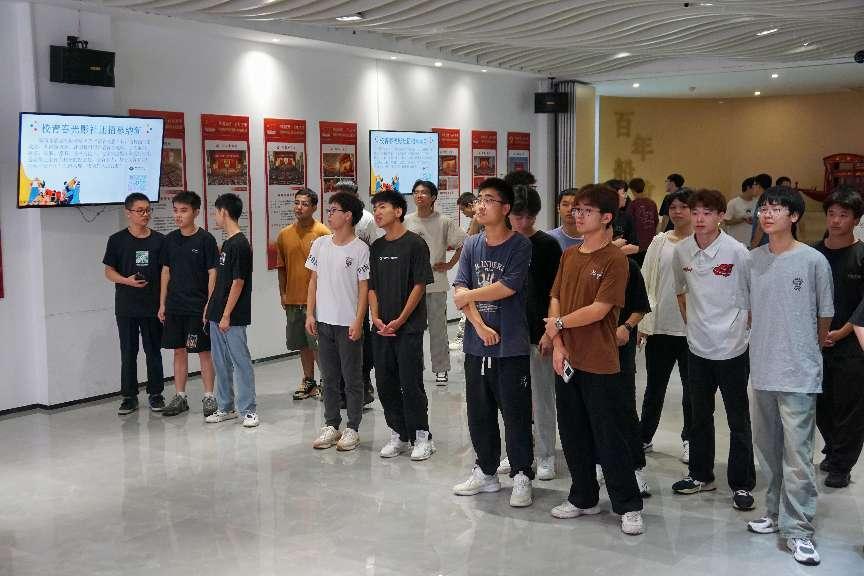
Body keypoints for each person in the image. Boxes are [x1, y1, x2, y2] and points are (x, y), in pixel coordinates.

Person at [544, 183, 644, 535]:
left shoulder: (616, 260)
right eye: (576, 210)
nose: (578, 215)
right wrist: (558, 344)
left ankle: (628, 505)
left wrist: (558, 325)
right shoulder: (569, 255)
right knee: (573, 433)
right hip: (567, 358)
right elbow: (555, 298)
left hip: (599, 360)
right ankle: (583, 497)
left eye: (586, 210)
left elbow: (600, 309)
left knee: (609, 435)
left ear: (606, 218)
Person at [741, 186, 833, 567]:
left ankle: (799, 531)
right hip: (762, 369)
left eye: (776, 208)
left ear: (793, 216)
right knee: (768, 450)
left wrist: (806, 351)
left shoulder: (813, 261)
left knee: (797, 456)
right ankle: (774, 512)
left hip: (798, 372)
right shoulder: (752, 260)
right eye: (764, 208)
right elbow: (749, 312)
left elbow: (824, 316)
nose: (767, 214)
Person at [670, 189, 756, 511]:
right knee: (699, 415)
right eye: (696, 212)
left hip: (733, 347)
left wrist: (742, 329)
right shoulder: (682, 251)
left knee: (738, 418)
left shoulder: (737, 252)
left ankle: (742, 483)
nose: (700, 219)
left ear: (721, 216)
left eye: (707, 213)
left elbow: (751, 297)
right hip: (697, 348)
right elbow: (681, 291)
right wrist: (692, 324)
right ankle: (700, 474)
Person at [452, 177, 534, 507]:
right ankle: (486, 472)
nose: (481, 205)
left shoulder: (520, 245)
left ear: (505, 208)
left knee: (515, 413)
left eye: (488, 200)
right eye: (479, 199)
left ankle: (521, 474)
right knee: (479, 413)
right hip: (477, 344)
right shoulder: (472, 244)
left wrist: (469, 296)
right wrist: (479, 325)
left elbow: (508, 286)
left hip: (510, 344)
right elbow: (459, 289)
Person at [497, 179, 561, 481]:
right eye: (518, 216)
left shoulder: (547, 246)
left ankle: (546, 454)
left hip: (538, 333)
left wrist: (550, 333)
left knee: (542, 398)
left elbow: (555, 293)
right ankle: (517, 452)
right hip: (505, 335)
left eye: (530, 217)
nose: (523, 222)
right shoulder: (500, 243)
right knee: (511, 401)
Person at [369, 190, 436, 461]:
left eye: (382, 207)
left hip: (408, 328)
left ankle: (422, 435)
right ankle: (399, 433)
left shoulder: (415, 244)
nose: (377, 212)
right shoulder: (376, 247)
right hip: (381, 328)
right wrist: (376, 317)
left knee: (410, 383)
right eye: (375, 208)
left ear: (398, 211)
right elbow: (371, 286)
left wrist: (401, 319)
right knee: (385, 383)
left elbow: (419, 285)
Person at [306, 192, 370, 451]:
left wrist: (358, 320)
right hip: (324, 322)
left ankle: (352, 427)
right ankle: (331, 424)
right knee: (329, 377)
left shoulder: (360, 249)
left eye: (334, 210)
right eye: (329, 210)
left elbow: (364, 289)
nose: (329, 214)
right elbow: (313, 281)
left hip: (348, 324)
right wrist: (310, 314)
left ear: (348, 216)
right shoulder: (320, 245)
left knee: (352, 378)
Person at [814, 186, 864, 488]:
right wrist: (818, 332)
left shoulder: (861, 254)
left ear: (856, 219)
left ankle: (842, 464)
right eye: (831, 214)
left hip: (852, 342)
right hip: (815, 342)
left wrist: (842, 330)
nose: (835, 220)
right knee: (820, 403)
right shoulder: (812, 253)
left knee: (850, 406)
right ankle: (833, 449)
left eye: (843, 215)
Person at [638, 188, 693, 463]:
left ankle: (690, 439)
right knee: (654, 387)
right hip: (660, 328)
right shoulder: (659, 242)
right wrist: (642, 322)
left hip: (693, 331)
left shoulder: (702, 242)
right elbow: (645, 280)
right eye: (673, 207)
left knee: (692, 391)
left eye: (683, 206)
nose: (677, 212)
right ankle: (644, 436)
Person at [103, 193, 166, 414]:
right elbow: (108, 271)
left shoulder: (160, 240)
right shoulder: (117, 240)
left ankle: (156, 393)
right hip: (127, 306)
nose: (145, 214)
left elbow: (166, 274)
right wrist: (126, 281)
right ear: (128, 213)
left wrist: (163, 304)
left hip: (152, 306)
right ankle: (129, 396)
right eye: (140, 210)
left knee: (153, 351)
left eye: (148, 210)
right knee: (128, 352)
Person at [158, 191, 219, 417]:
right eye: (175, 210)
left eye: (183, 211)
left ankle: (209, 396)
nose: (178, 215)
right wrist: (162, 303)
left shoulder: (205, 240)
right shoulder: (169, 240)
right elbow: (165, 272)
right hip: (175, 306)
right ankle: (180, 396)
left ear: (196, 212)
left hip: (197, 306)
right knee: (178, 351)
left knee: (204, 351)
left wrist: (209, 304)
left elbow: (213, 273)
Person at [204, 193, 258, 427]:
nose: (214, 216)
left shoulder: (241, 245)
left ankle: (248, 410)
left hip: (232, 317)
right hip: (217, 313)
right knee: (220, 362)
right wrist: (210, 308)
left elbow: (238, 282)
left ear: (224, 212)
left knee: (240, 362)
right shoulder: (227, 243)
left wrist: (226, 315)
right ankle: (226, 407)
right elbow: (222, 281)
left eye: (216, 212)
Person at [405, 180, 466, 384]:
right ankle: (415, 367)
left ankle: (441, 368)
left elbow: (463, 243)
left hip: (436, 283)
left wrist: (450, 264)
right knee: (412, 330)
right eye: (416, 192)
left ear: (433, 197)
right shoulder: (406, 221)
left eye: (424, 192)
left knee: (438, 329)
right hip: (411, 285)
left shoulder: (444, 221)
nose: (419, 195)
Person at [276, 189, 330, 401]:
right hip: (293, 299)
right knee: (302, 343)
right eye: (297, 203)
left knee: (318, 344)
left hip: (316, 301)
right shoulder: (284, 234)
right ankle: (309, 381)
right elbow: (282, 268)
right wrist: (283, 293)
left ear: (314, 207)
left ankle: (328, 382)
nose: (299, 207)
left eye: (305, 204)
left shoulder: (323, 233)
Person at [333, 180, 376, 404]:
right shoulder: (334, 218)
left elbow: (372, 248)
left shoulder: (366, 219)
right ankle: (341, 388)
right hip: (339, 286)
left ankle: (364, 383)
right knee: (340, 340)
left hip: (360, 282)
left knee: (360, 335)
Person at [617, 257, 652, 496]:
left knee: (625, 408)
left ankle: (635, 468)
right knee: (593, 410)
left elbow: (641, 306)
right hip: (588, 349)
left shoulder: (628, 265)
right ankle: (598, 462)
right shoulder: (574, 259)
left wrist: (627, 327)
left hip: (620, 349)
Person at [450, 192, 482, 351]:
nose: (463, 213)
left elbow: (469, 242)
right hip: (473, 266)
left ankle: (462, 337)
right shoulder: (476, 220)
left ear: (470, 205)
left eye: (463, 210)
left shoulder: (480, 219)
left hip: (480, 268)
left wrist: (475, 221)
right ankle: (464, 336)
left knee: (469, 302)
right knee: (467, 301)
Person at [626, 177, 658, 266]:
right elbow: (656, 221)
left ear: (632, 190)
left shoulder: (633, 205)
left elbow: (629, 223)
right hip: (651, 241)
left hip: (637, 243)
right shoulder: (652, 203)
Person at [606, 179, 640, 256]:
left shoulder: (627, 217)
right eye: (623, 193)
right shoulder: (599, 218)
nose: (626, 196)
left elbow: (635, 245)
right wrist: (614, 245)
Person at [723, 177, 757, 246]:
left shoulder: (757, 202)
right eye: (755, 186)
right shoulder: (733, 202)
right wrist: (742, 220)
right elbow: (726, 221)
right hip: (735, 242)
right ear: (748, 187)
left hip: (751, 243)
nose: (757, 189)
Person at [749, 173, 773, 248]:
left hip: (763, 245)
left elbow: (760, 227)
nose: (753, 187)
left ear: (758, 186)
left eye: (754, 185)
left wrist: (753, 246)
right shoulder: (766, 199)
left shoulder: (764, 201)